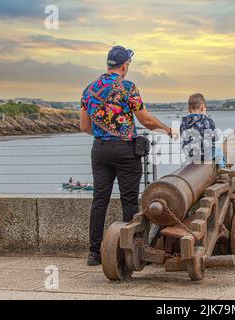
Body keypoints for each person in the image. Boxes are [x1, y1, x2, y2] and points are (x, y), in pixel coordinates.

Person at [80, 45, 178, 266]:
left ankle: (94, 253)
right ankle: (129, 252)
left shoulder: (89, 89)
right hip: (125, 150)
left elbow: (84, 126)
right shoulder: (127, 87)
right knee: (129, 201)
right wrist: (168, 130)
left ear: (108, 64)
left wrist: (103, 133)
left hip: (100, 150)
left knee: (99, 201)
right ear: (124, 65)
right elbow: (147, 121)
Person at [180, 93, 227, 169]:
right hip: (205, 154)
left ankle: (186, 164)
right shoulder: (207, 121)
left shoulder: (183, 122)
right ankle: (222, 168)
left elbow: (182, 135)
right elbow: (215, 137)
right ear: (202, 107)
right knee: (218, 151)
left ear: (188, 109)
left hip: (190, 154)